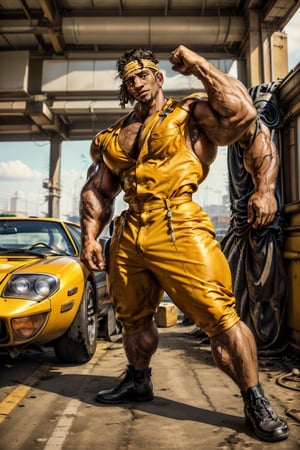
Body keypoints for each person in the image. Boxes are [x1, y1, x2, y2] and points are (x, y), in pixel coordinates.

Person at [79, 45, 289, 443]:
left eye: (142, 75)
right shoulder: (112, 136)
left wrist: (265, 189)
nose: (135, 83)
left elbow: (246, 119)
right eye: (128, 79)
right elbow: (97, 190)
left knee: (221, 317)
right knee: (133, 319)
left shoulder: (190, 113)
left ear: (158, 77)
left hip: (179, 220)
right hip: (129, 231)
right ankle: (139, 380)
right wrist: (90, 235)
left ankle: (254, 399)